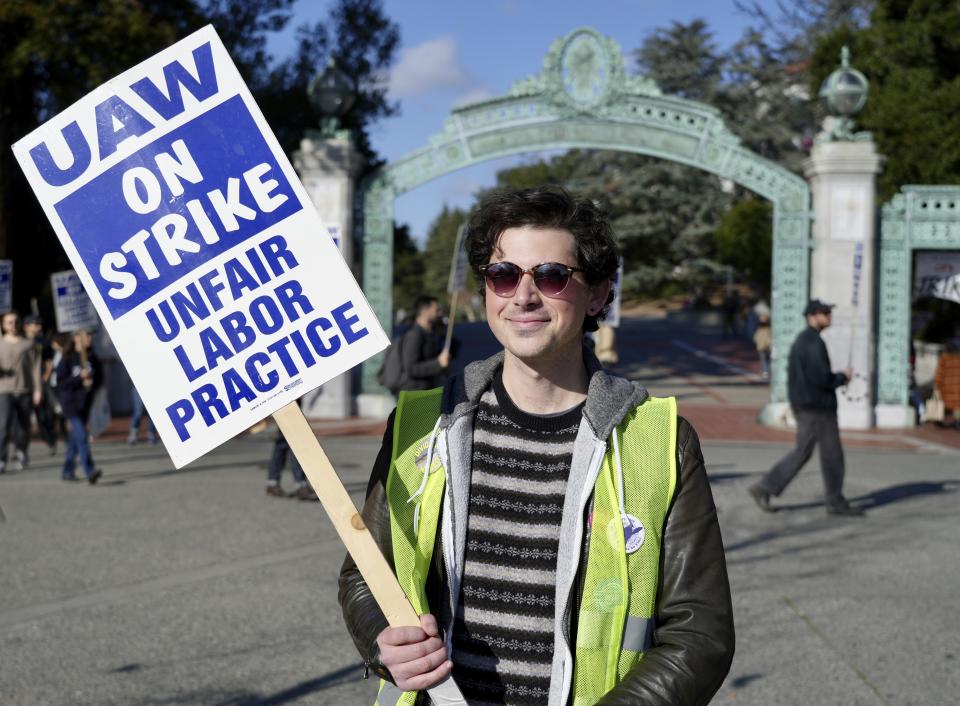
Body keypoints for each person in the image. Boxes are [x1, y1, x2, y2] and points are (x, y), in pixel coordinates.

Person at [339, 187, 734, 705]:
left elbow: (699, 633)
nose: (522, 296)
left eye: (550, 276)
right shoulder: (420, 424)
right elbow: (364, 575)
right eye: (503, 275)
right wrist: (380, 643)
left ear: (597, 294)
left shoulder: (659, 439)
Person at [748, 300, 863, 517]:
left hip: (809, 405)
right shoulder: (812, 343)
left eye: (829, 312)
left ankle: (766, 488)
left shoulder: (807, 340)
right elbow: (820, 378)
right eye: (824, 312)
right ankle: (833, 501)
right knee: (831, 456)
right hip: (817, 407)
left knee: (806, 452)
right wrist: (841, 377)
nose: (829, 316)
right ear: (812, 316)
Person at [55, 329, 102, 484]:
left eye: (90, 335)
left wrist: (91, 383)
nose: (89, 338)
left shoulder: (92, 357)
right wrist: (78, 378)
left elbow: (100, 379)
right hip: (70, 404)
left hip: (85, 403)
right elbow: (61, 384)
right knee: (82, 436)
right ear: (76, 338)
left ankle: (67, 471)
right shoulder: (67, 358)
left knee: (75, 439)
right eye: (86, 335)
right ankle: (90, 471)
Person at [0, 311, 42, 472]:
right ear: (3, 325)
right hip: (4, 390)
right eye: (9, 322)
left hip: (24, 389)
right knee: (3, 425)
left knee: (23, 425)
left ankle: (21, 450)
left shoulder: (28, 344)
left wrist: (38, 389)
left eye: (15, 321)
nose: (13, 325)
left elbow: (35, 368)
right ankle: (2, 458)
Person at [397, 295, 451, 392]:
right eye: (436, 309)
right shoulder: (414, 335)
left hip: (427, 390)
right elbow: (411, 368)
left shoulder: (432, 333)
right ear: (425, 311)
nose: (440, 313)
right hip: (415, 394)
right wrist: (438, 363)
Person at [23, 315, 57, 453]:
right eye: (35, 324)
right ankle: (21, 449)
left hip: (40, 382)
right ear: (26, 326)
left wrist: (44, 378)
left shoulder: (43, 343)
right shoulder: (20, 341)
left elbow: (49, 362)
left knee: (44, 414)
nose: (39, 327)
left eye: (39, 324)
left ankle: (50, 438)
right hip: (24, 384)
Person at [932, 338, 960, 427]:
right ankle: (956, 422)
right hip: (958, 387)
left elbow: (939, 374)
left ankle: (940, 420)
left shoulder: (944, 358)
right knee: (957, 406)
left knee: (943, 404)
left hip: (946, 387)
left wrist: (936, 385)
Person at [753, 312, 772, 380]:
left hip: (762, 346)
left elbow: (755, 338)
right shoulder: (768, 330)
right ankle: (767, 371)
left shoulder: (759, 330)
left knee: (764, 359)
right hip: (768, 346)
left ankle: (765, 371)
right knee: (768, 359)